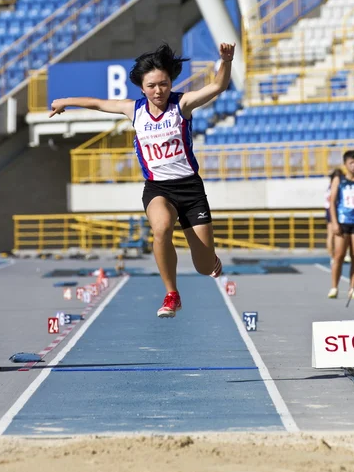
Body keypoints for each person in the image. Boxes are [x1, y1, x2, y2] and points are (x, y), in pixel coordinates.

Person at [49, 42, 236, 317]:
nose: (158, 90)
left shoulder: (181, 104)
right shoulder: (133, 110)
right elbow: (98, 103)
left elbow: (217, 86)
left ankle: (210, 257)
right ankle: (172, 294)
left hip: (191, 189)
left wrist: (226, 61)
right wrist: (65, 101)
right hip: (158, 188)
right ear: (142, 88)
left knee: (205, 267)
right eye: (152, 86)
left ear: (171, 82)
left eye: (163, 84)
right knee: (160, 228)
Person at [328, 150, 354, 299]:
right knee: (339, 255)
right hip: (343, 222)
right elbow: (332, 202)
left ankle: (352, 288)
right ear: (345, 164)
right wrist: (334, 222)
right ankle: (334, 287)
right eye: (351, 163)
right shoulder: (339, 180)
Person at [325, 168, 351, 265]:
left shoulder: (339, 186)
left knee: (345, 235)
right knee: (332, 235)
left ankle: (344, 254)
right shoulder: (333, 188)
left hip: (341, 212)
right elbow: (331, 203)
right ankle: (333, 256)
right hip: (332, 212)